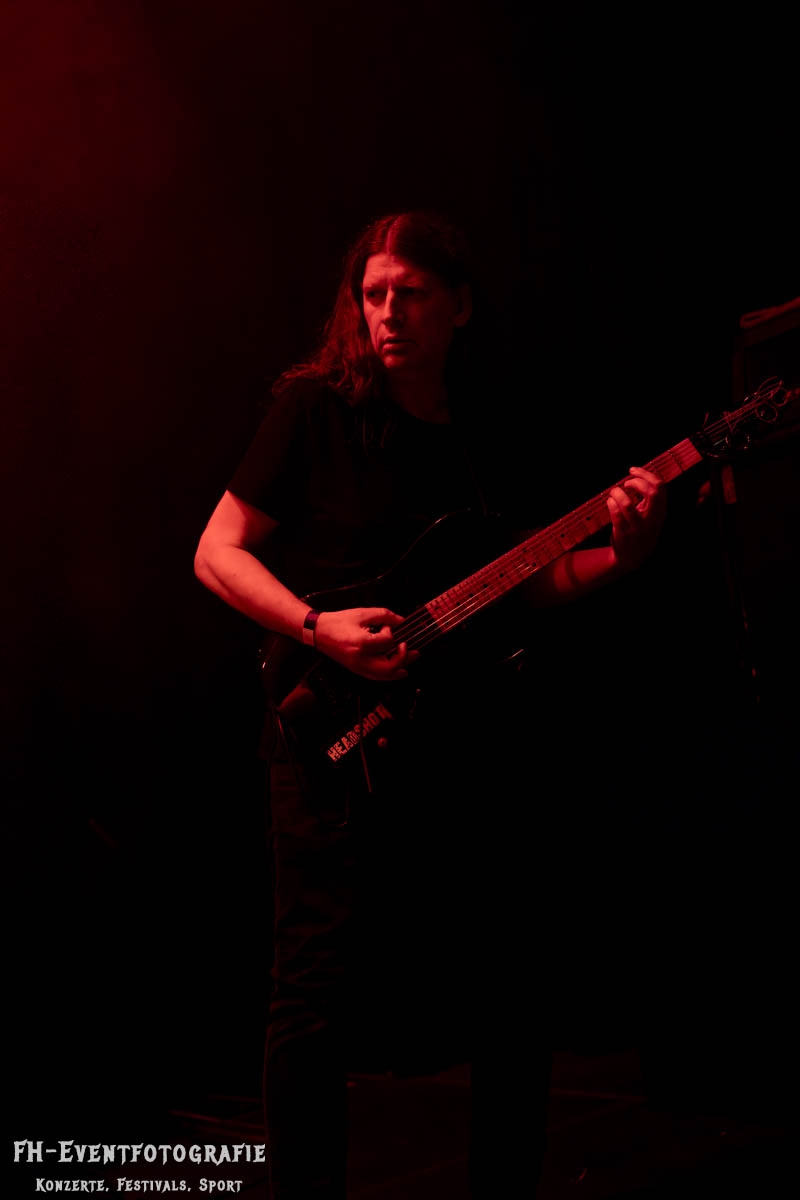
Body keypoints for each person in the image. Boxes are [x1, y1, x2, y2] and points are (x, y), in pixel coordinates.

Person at [194, 210, 666, 1198]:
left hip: (454, 738)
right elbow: (216, 552)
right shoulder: (313, 411)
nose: (387, 313)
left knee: (509, 977)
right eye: (371, 295)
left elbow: (523, 586)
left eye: (408, 294)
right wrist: (317, 628)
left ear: (459, 305)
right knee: (313, 994)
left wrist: (620, 556)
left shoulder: (481, 433)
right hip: (327, 729)